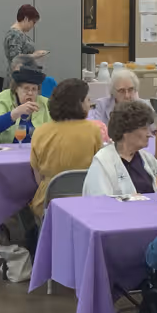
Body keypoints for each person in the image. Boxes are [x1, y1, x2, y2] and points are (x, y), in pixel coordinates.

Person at [26, 79, 104, 215]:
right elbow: (100, 168)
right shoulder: (93, 130)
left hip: (48, 203)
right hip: (86, 202)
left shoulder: (40, 132)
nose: (90, 103)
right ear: (79, 104)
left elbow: (38, 176)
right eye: (87, 99)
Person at [86, 99, 157, 199]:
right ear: (126, 131)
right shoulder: (103, 161)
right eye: (144, 128)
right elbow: (99, 200)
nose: (150, 134)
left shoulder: (148, 159)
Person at [0, 58, 51, 144]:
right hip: (7, 150)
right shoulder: (4, 97)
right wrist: (16, 112)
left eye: (34, 89)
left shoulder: (44, 102)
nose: (30, 93)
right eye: (26, 88)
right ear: (16, 89)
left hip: (36, 151)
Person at [4, 3, 46, 72]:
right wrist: (34, 56)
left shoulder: (19, 34)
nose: (33, 26)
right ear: (26, 19)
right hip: (19, 78)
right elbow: (15, 59)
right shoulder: (14, 35)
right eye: (33, 22)